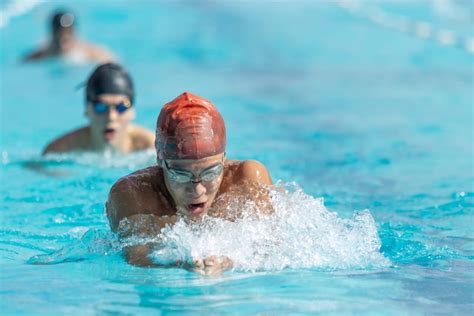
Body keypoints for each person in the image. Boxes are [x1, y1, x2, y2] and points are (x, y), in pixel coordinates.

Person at [106, 92, 273, 275]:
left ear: (224, 159)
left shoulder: (247, 180)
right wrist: (180, 264)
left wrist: (228, 262)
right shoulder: (133, 194)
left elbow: (270, 246)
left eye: (210, 172)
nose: (197, 189)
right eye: (181, 174)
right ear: (160, 162)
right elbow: (137, 257)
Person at [43, 63, 155, 155]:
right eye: (100, 107)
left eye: (121, 107)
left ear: (132, 111)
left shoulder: (151, 147)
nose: (111, 116)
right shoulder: (58, 151)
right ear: (87, 110)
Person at [24, 10, 114, 63]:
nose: (63, 37)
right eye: (59, 34)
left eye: (68, 33)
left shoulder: (91, 53)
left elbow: (112, 62)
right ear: (52, 34)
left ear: (74, 33)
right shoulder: (41, 55)